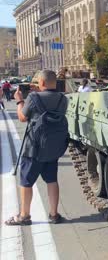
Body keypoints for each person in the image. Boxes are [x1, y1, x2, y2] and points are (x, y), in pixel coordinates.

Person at [5, 70, 68, 226]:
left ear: (42, 83)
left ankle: (24, 216)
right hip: (52, 148)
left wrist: (20, 101)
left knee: (26, 182)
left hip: (33, 148)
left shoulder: (33, 97)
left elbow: (22, 117)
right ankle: (54, 215)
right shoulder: (63, 99)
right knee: (52, 180)